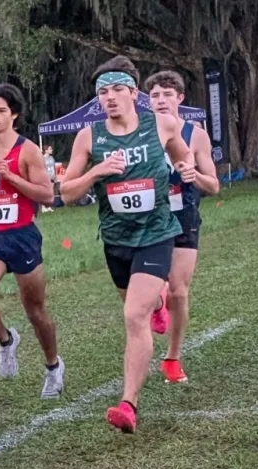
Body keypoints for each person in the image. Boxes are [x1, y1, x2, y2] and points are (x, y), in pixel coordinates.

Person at [60, 56, 193, 433]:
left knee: (133, 317)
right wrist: (98, 171)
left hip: (156, 234)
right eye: (103, 92)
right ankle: (158, 301)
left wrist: (185, 169)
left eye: (117, 89)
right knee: (135, 306)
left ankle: (128, 404)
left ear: (134, 93)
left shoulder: (162, 123)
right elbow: (66, 193)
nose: (110, 98)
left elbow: (182, 156)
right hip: (116, 240)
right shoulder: (90, 137)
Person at [0, 83, 64, 398]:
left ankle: (53, 367)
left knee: (35, 311)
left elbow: (47, 195)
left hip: (22, 237)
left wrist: (12, 178)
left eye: (1, 110)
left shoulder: (28, 150)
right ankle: (7, 340)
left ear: (13, 114)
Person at [145, 71, 220, 384]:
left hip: (184, 217)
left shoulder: (195, 134)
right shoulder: (140, 132)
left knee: (179, 290)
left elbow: (213, 185)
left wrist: (194, 176)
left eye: (167, 95)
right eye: (155, 96)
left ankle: (172, 359)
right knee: (148, 289)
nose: (161, 101)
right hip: (148, 218)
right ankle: (156, 302)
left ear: (180, 98)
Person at [41, 144, 57, 212]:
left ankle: (48, 206)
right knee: (45, 192)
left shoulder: (52, 158)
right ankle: (43, 207)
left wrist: (55, 176)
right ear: (46, 150)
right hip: (46, 177)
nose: (51, 150)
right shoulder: (42, 158)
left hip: (52, 176)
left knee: (51, 192)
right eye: (50, 149)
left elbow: (54, 167)